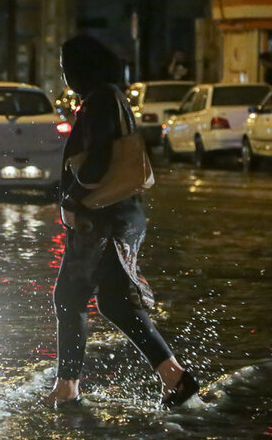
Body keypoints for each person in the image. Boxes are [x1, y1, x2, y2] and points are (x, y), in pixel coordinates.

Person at [46, 34, 199, 409]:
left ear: (82, 69)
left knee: (69, 297)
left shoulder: (100, 101)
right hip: (122, 213)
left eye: (67, 69)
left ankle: (67, 388)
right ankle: (174, 377)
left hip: (102, 218)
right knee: (115, 301)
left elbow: (98, 161)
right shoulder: (111, 99)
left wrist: (72, 199)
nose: (65, 77)